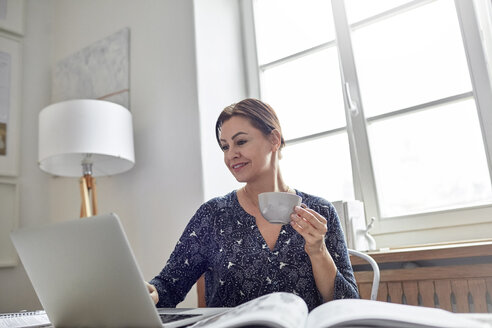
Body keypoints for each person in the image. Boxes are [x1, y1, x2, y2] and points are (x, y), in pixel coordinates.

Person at [147, 98, 359, 310]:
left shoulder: (321, 212)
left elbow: (348, 305)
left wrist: (318, 250)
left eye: (240, 142)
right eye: (224, 147)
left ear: (274, 139)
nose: (231, 154)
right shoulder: (213, 215)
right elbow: (168, 286)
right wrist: (151, 293)